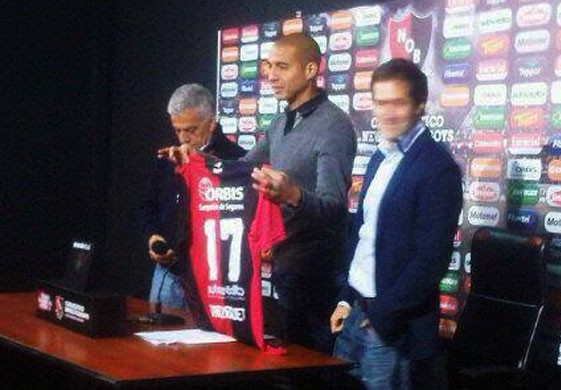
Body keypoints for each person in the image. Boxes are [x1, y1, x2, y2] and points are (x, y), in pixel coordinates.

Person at [330, 59, 463, 389]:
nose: (386, 112)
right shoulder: (380, 157)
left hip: (393, 331)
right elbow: (364, 236)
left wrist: (382, 317)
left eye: (397, 102)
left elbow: (431, 259)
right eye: (380, 102)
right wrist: (347, 298)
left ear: (419, 105)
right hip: (356, 314)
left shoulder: (437, 167)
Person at [244, 32, 357, 353]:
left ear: (310, 70)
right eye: (269, 66)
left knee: (309, 371)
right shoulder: (280, 122)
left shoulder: (333, 125)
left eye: (282, 66)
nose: (271, 75)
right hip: (286, 269)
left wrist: (294, 195)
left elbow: (335, 209)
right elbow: (241, 169)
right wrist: (195, 160)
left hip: (316, 277)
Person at [141, 83, 246, 308]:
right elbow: (147, 205)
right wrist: (153, 236)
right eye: (177, 130)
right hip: (167, 274)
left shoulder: (236, 161)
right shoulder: (167, 159)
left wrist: (198, 163)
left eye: (190, 130)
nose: (183, 138)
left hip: (214, 279)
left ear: (211, 122)